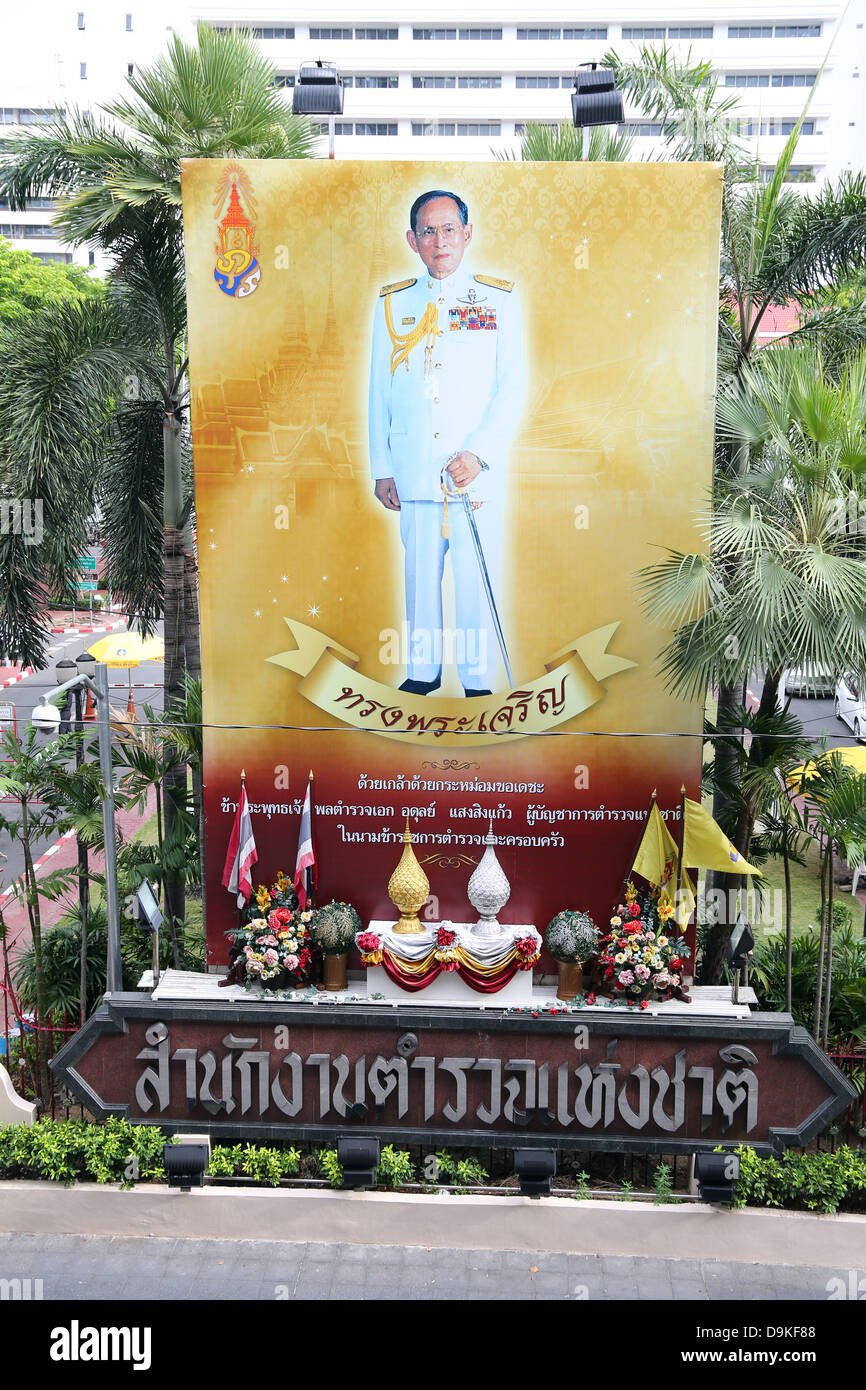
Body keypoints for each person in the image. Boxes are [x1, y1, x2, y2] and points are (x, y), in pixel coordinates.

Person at [368, 189, 526, 695]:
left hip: (472, 474)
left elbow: (514, 386)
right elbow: (380, 390)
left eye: (450, 229)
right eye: (429, 231)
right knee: (420, 583)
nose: (441, 241)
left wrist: (478, 454)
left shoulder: (497, 299)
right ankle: (422, 676)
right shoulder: (393, 303)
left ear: (468, 234)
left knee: (474, 583)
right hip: (414, 468)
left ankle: (478, 683)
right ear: (412, 240)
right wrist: (382, 466)